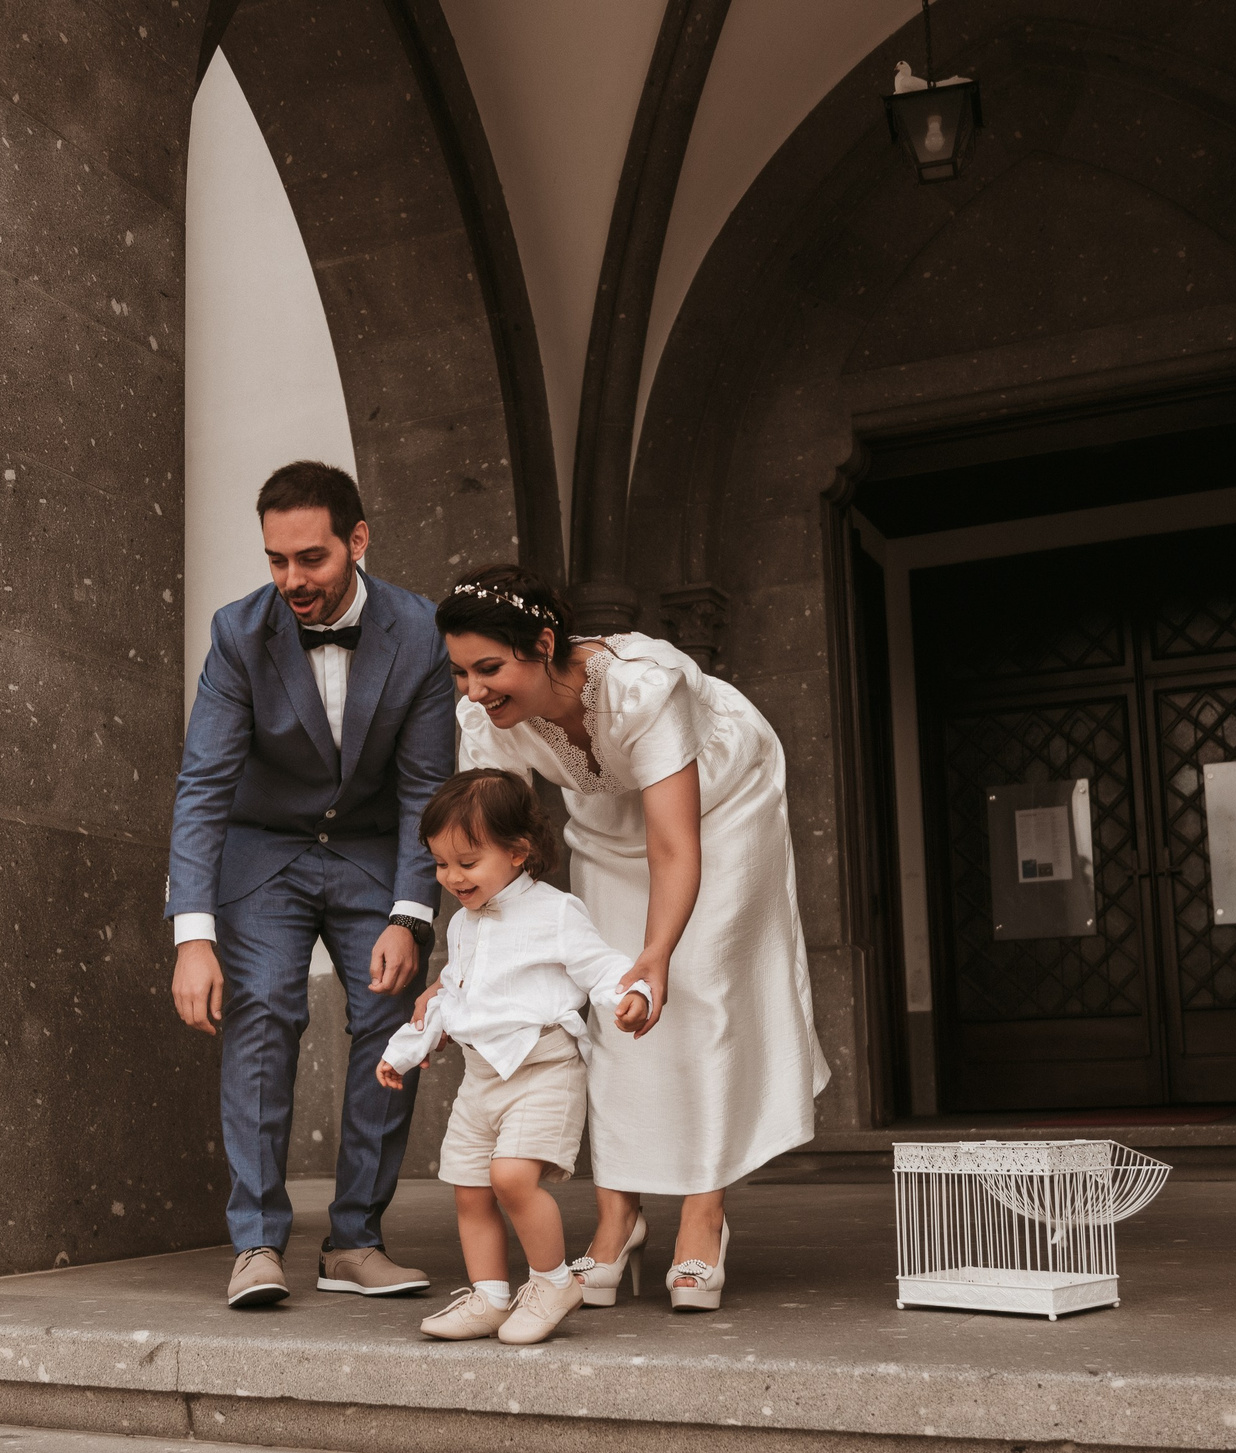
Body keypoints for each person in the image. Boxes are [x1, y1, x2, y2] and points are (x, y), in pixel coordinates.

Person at [435, 566, 828, 1310]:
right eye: (460, 672)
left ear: (542, 645)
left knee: (698, 987)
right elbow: (481, 848)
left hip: (721, 802)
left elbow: (674, 845)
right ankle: (619, 1215)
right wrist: (460, 972)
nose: (474, 690)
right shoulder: (484, 719)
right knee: (611, 1007)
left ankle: (703, 1215)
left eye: (488, 668)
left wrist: (658, 951)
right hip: (609, 816)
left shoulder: (643, 687)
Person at [168, 461, 456, 1308]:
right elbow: (204, 783)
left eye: (312, 558)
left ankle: (355, 1240)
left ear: (357, 541)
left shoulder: (420, 630)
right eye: (276, 560)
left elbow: (426, 788)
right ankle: (257, 1243)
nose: (292, 579)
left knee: (391, 1020)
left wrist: (412, 914)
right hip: (265, 853)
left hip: (372, 851)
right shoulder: (238, 632)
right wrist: (193, 934)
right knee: (262, 1007)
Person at [376, 770, 651, 1346]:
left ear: (518, 852)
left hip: (543, 1068)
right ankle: (490, 1297)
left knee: (510, 1178)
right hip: (480, 1079)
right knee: (470, 1188)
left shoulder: (555, 911)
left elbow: (600, 966)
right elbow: (451, 994)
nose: (452, 878)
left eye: (467, 862)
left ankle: (553, 1283)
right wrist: (403, 1051)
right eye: (440, 864)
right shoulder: (463, 923)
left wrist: (632, 995)